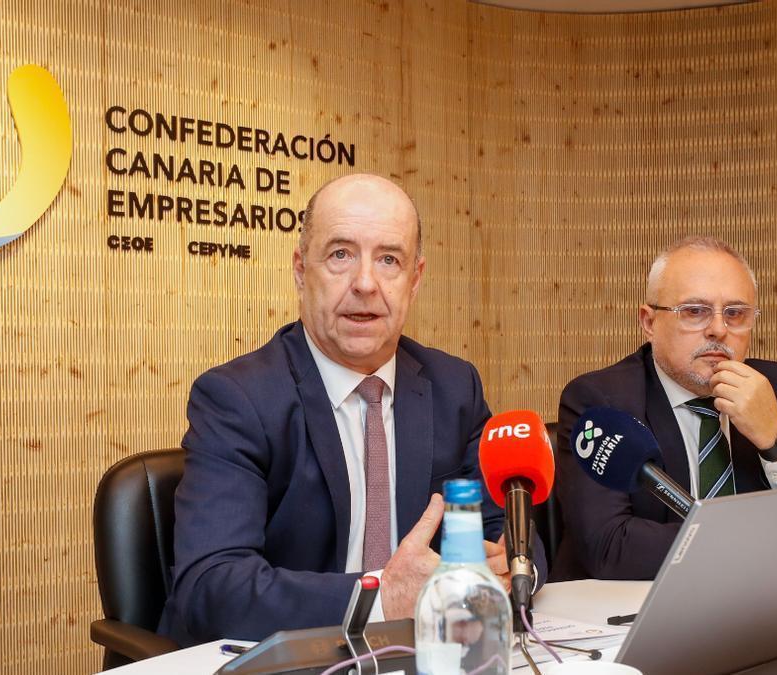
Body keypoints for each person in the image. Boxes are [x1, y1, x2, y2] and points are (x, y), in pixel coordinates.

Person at [158, 173, 545, 645]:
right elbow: (212, 589)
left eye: (389, 259)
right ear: (301, 269)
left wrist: (506, 568)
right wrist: (382, 598)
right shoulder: (237, 398)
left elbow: (510, 536)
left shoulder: (452, 387)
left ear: (415, 279)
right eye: (341, 254)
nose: (365, 283)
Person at [551, 236, 777, 581]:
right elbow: (610, 546)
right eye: (695, 312)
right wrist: (770, 542)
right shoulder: (601, 401)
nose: (719, 329)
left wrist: (776, 438)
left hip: (759, 606)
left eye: (736, 313)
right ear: (649, 323)